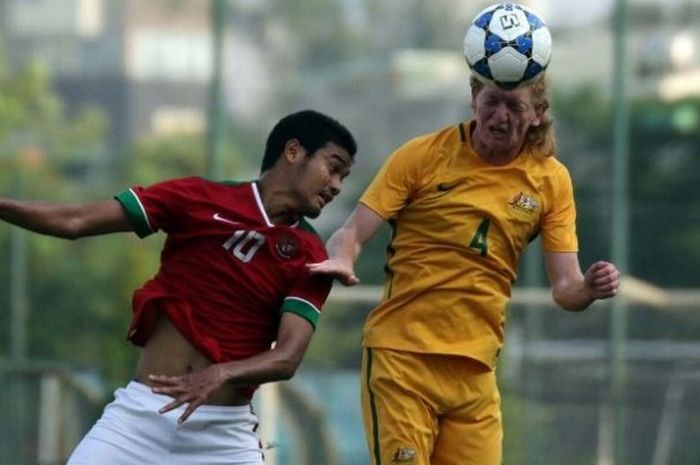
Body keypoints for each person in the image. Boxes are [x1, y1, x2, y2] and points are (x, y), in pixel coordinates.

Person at [0, 109, 357, 465]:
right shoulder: (197, 197)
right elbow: (75, 220)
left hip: (224, 436)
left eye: (343, 176)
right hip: (138, 420)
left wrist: (221, 373)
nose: (337, 185)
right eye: (333, 167)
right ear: (293, 152)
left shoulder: (313, 255)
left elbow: (287, 357)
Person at [308, 72, 620, 465]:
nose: (500, 116)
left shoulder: (551, 181)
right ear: (474, 96)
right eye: (492, 101)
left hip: (475, 375)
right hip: (403, 361)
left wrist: (589, 289)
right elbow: (351, 232)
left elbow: (565, 288)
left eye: (514, 106)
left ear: (537, 113)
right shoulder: (422, 156)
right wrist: (341, 257)